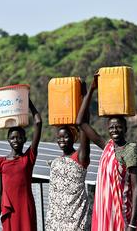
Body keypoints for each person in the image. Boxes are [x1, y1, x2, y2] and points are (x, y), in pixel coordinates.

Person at [76, 75, 137, 231]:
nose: (115, 130)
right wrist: (91, 90)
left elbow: (135, 188)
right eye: (111, 127)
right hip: (104, 216)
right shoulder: (107, 146)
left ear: (126, 129)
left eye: (119, 127)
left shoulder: (130, 150)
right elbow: (81, 122)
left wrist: (132, 223)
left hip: (123, 217)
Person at [45, 84, 92, 231]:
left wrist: (86, 95)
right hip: (55, 221)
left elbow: (85, 125)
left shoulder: (80, 157)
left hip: (76, 220)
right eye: (59, 138)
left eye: (66, 137)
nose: (62, 140)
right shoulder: (56, 162)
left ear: (74, 138)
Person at [0, 98, 42, 231]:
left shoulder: (28, 158)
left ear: (25, 140)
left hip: (25, 208)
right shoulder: (0, 162)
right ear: (8, 140)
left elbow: (38, 122)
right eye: (13, 138)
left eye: (19, 137)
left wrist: (28, 101)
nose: (16, 140)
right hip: (9, 210)